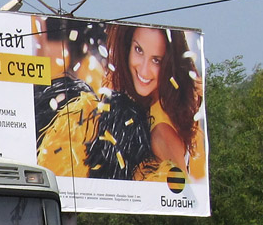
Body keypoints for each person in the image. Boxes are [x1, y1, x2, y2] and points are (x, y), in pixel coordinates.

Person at [40, 25, 203, 181]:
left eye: (156, 60)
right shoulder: (135, 96)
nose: (144, 70)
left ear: (169, 63)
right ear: (127, 46)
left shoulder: (161, 131)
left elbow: (182, 192)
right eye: (139, 50)